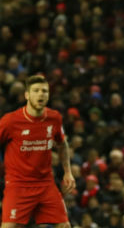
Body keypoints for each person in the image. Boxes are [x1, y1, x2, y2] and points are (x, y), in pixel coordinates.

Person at [0, 75, 76, 228]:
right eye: (36, 91)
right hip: (18, 184)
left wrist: (68, 171)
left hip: (45, 183)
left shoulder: (54, 118)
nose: (41, 94)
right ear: (27, 95)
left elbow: (62, 144)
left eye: (44, 91)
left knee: (65, 225)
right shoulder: (10, 121)